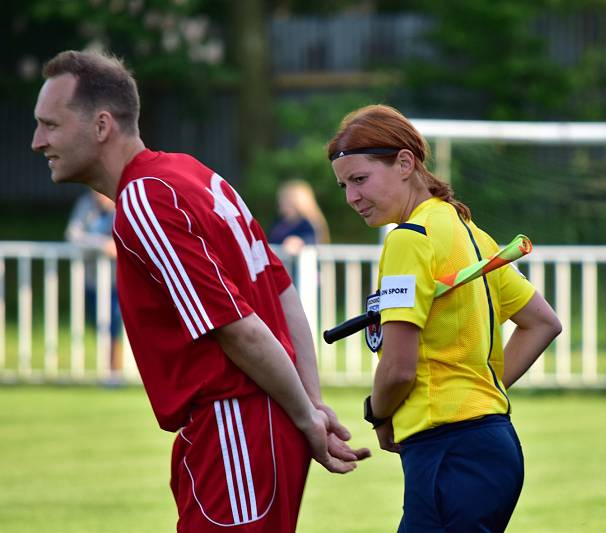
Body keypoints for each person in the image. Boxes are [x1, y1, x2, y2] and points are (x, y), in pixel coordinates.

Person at [32, 49, 369, 532]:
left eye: (50, 124)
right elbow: (281, 289)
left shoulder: (144, 199)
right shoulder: (191, 173)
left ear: (102, 125)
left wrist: (308, 415)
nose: (37, 141)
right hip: (259, 423)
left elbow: (237, 328)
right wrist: (308, 405)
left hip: (235, 426)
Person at [327, 104, 562, 532]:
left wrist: (378, 415)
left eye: (360, 179)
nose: (351, 198)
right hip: (492, 446)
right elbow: (542, 322)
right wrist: (479, 392)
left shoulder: (409, 240)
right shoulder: (472, 232)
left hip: (448, 452)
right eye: (344, 185)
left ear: (404, 163)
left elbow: (398, 368)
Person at [65, 189, 123, 378]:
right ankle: (108, 370)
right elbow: (73, 236)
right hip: (92, 280)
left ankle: (115, 372)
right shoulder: (85, 205)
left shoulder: (121, 206)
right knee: (98, 324)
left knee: (114, 327)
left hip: (117, 282)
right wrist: (101, 245)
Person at [268, 179, 330, 256]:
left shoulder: (307, 223)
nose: (281, 203)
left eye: (286, 200)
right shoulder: (278, 222)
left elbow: (312, 239)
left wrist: (299, 242)